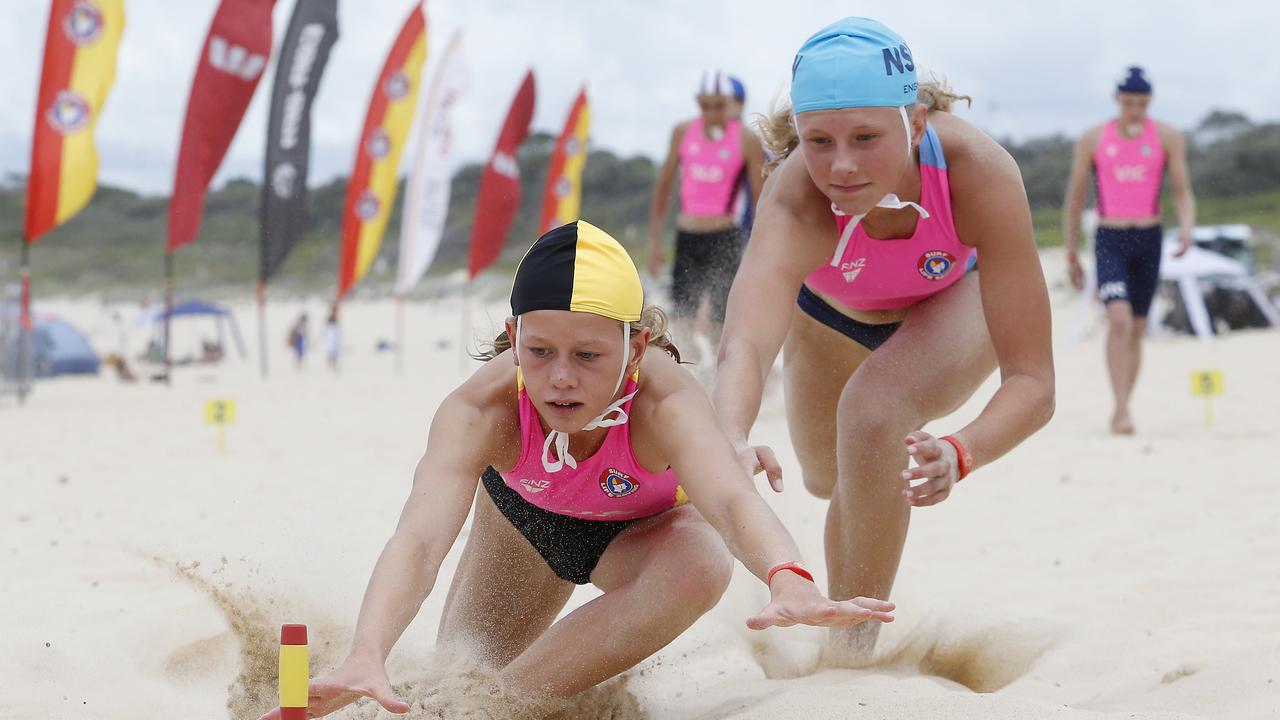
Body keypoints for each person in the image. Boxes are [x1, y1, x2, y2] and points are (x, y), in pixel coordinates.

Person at [262, 221, 894, 719]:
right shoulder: (481, 407)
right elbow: (420, 541)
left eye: (589, 355)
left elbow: (731, 502)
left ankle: (489, 714)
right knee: (457, 672)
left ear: (635, 345)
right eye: (538, 352)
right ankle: (392, 693)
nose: (561, 377)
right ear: (513, 338)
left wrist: (790, 579)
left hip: (642, 541)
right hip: (521, 526)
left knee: (699, 565)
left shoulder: (666, 403)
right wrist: (367, 651)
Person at [711, 18, 1055, 660]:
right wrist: (729, 435)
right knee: (830, 480)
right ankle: (848, 618)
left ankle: (851, 658)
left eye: (867, 137)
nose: (841, 165)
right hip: (828, 318)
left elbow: (1034, 383)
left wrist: (962, 449)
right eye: (819, 141)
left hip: (951, 303)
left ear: (916, 123)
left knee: (873, 412)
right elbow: (745, 347)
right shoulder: (794, 197)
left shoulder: (976, 171)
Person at [1063, 66, 1195, 434]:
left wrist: (1186, 230)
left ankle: (1124, 402)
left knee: (1137, 327)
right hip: (1110, 238)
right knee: (1118, 320)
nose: (1135, 110)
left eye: (1141, 103)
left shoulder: (1167, 136)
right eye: (1128, 102)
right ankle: (1121, 410)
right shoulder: (1093, 138)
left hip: (1150, 238)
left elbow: (1182, 191)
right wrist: (1071, 251)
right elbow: (1075, 198)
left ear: (1149, 101)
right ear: (1117, 100)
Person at [648, 70, 765, 363]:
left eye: (718, 106)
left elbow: (760, 200)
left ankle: (723, 381)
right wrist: (654, 245)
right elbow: (663, 189)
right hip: (687, 236)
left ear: (731, 104)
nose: (712, 113)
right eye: (705, 106)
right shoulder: (683, 132)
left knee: (720, 322)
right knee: (682, 319)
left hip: (724, 237)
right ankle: (688, 377)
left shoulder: (747, 141)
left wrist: (761, 250)